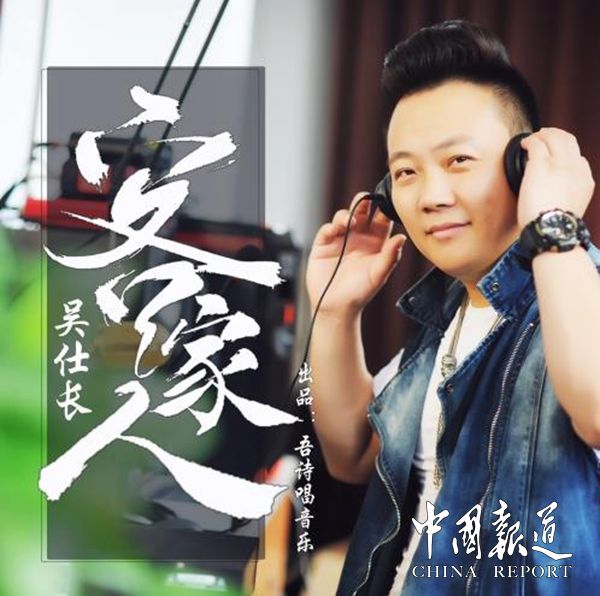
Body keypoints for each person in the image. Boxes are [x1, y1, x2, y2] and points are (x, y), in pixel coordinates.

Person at [305, 20, 600, 595]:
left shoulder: (580, 290)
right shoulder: (446, 318)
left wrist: (553, 223)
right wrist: (335, 312)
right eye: (406, 172)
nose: (431, 196)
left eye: (459, 160)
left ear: (523, 168)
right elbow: (353, 454)